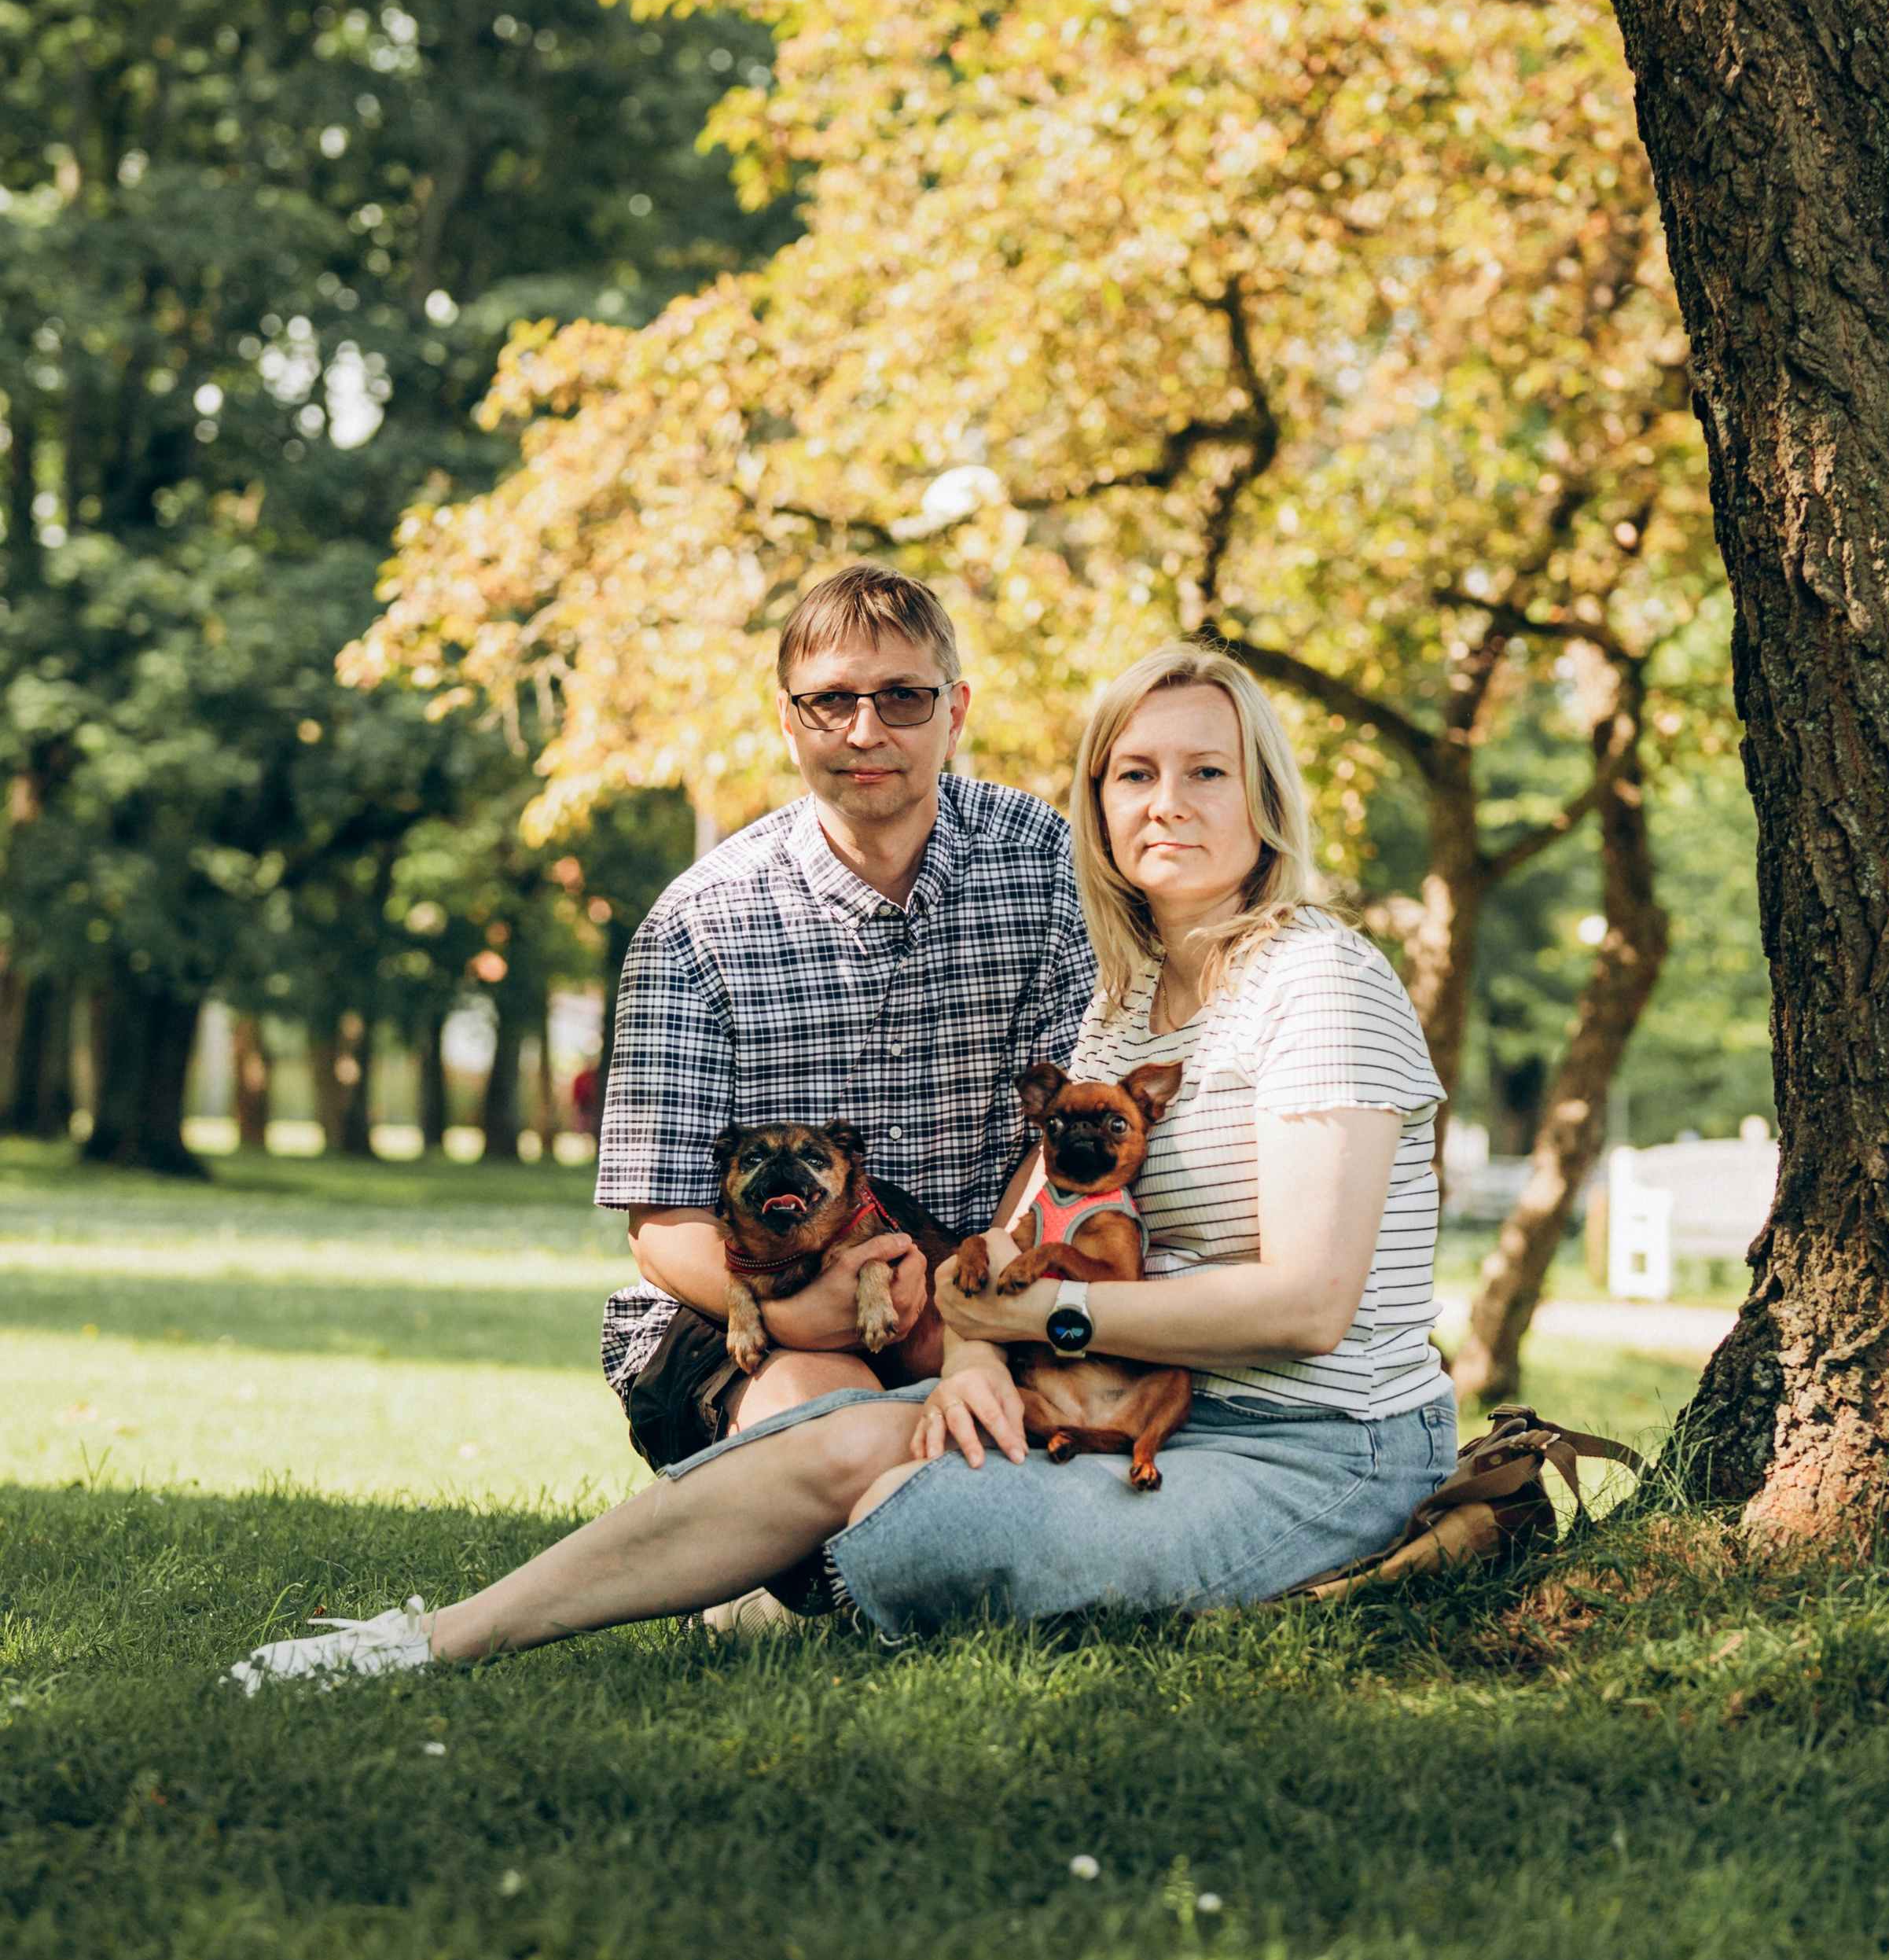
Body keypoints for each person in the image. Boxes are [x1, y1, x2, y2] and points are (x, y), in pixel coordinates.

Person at [229, 646, 1454, 1686]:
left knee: (911, 1519)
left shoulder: (1322, 983)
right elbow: (1005, 1256)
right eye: (1133, 774)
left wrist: (1045, 1318)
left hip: (1318, 1445)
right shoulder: (1126, 1009)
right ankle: (422, 1644)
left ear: (1266, 803)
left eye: (1206, 774)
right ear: (1097, 801)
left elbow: (1307, 1305)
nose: (1165, 804)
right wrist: (974, 1355)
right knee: (830, 1447)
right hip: (1140, 1399)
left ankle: (795, 1592)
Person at [594, 559, 1094, 1474]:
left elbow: (1067, 1129)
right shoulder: (697, 925)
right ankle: (766, 1565)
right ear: (788, 721)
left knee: (1056, 1428)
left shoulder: (1047, 865)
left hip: (986, 1280)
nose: (866, 731)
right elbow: (661, 1221)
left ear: (956, 710)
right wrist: (793, 1309)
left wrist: (972, 1289)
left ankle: (785, 1570)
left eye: (903, 697)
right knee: (839, 1427)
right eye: (830, 702)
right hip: (751, 1310)